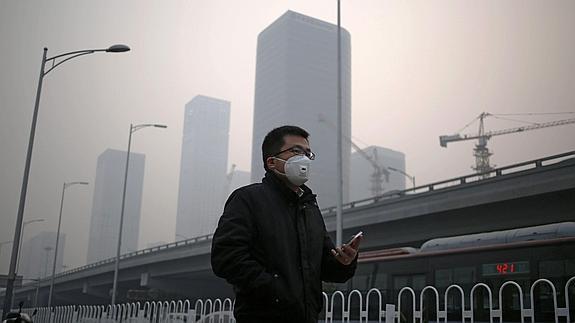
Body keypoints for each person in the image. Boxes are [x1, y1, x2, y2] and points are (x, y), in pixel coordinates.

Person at [211, 125, 362, 323]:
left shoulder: (310, 208)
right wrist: (275, 290)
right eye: (296, 151)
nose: (304, 158)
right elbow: (226, 258)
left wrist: (343, 262)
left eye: (308, 153)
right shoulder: (248, 199)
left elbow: (324, 267)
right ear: (272, 162)